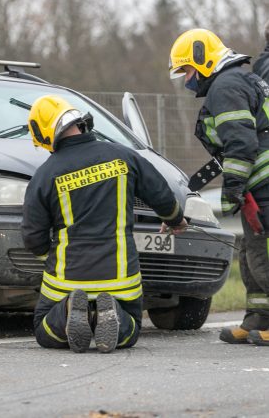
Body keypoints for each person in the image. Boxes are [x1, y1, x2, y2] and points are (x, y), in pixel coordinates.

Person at [21, 95, 187, 353]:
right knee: (132, 329)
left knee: (43, 330)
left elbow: (33, 236)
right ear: (81, 121)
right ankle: (114, 318)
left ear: (44, 135)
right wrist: (174, 220)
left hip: (67, 280)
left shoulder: (45, 175)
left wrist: (48, 257)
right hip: (121, 278)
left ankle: (68, 312)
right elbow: (161, 194)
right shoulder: (123, 156)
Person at [169, 28, 269, 346]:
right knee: (252, 255)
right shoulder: (239, 79)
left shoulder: (224, 86)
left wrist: (234, 183)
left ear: (202, 60)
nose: (186, 80)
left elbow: (240, 140)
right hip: (259, 185)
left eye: (187, 70)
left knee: (263, 254)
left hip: (263, 183)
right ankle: (258, 318)